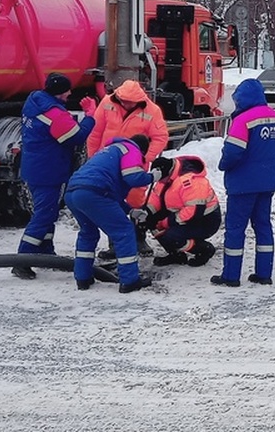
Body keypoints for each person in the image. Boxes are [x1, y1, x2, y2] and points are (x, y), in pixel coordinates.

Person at [11, 72, 96, 280]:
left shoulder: (35, 102)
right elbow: (75, 137)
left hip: (34, 166)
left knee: (45, 211)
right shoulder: (53, 113)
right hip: (49, 170)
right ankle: (22, 261)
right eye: (66, 92)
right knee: (45, 214)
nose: (69, 95)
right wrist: (90, 115)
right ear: (57, 93)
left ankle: (44, 251)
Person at [64, 133, 171, 293]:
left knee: (88, 233)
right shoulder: (131, 150)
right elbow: (132, 177)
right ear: (142, 150)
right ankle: (129, 280)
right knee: (124, 231)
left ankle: (83, 278)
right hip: (94, 192)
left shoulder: (109, 150)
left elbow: (111, 194)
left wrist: (131, 211)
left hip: (73, 193)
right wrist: (153, 176)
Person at [213, 78, 275, 287]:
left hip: (243, 183)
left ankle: (231, 275)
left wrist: (223, 164)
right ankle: (264, 273)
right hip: (267, 181)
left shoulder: (243, 120)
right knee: (263, 226)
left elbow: (233, 152)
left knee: (235, 229)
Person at [86, 79, 169, 257]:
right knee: (113, 203)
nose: (125, 103)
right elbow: (95, 132)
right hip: (109, 164)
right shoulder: (107, 102)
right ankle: (115, 244)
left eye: (129, 101)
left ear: (139, 99)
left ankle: (138, 239)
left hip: (134, 166)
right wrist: (93, 158)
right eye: (123, 100)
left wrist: (146, 158)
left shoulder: (152, 110)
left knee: (137, 202)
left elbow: (160, 137)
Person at [130, 154, 222, 267]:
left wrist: (166, 222)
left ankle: (203, 249)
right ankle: (176, 255)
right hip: (183, 213)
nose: (160, 182)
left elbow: (193, 211)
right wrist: (147, 213)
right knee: (151, 222)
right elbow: (156, 197)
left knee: (171, 235)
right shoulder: (168, 176)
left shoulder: (191, 181)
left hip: (205, 220)